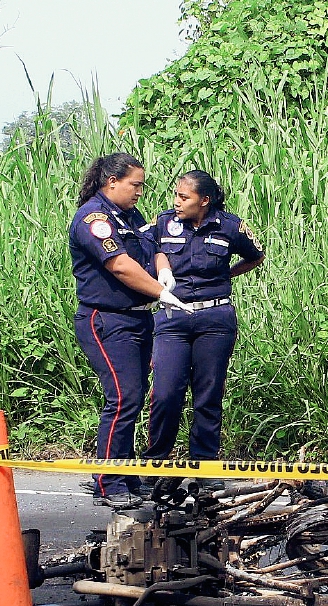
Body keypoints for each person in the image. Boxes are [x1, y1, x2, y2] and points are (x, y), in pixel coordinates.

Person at [70, 153, 193, 509]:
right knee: (123, 398)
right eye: (135, 185)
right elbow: (120, 266)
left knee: (135, 398)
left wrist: (163, 270)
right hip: (107, 319)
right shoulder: (95, 219)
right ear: (112, 182)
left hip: (138, 318)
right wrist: (160, 292)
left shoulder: (130, 216)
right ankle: (108, 481)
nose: (140, 192)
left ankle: (125, 474)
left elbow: (153, 246)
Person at [141, 170, 265, 487]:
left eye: (184, 197)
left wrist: (226, 276)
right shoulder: (164, 222)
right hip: (173, 317)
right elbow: (149, 250)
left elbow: (256, 256)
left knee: (208, 395)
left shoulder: (230, 226)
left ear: (204, 200)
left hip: (215, 319)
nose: (177, 201)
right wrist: (162, 272)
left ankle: (205, 465)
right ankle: (156, 463)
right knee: (166, 393)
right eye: (176, 195)